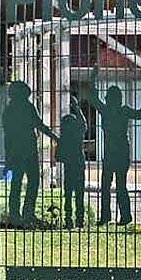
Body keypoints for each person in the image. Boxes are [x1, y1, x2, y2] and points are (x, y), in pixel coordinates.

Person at [85, 65, 141, 226]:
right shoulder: (122, 111)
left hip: (114, 153)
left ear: (110, 99)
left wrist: (94, 76)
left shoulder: (107, 110)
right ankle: (122, 216)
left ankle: (111, 217)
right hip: (120, 152)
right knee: (117, 186)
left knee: (109, 186)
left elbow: (92, 96)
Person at [2, 81, 57, 225]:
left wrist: (9, 156)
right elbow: (40, 125)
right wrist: (55, 137)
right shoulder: (27, 107)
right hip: (28, 149)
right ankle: (27, 213)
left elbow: (7, 136)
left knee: (17, 183)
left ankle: (16, 215)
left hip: (16, 150)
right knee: (32, 181)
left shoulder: (9, 110)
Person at [55, 96, 88, 229]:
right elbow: (83, 124)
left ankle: (68, 220)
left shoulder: (64, 139)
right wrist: (76, 108)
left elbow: (58, 157)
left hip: (69, 169)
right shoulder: (78, 136)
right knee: (79, 196)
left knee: (68, 196)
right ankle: (79, 221)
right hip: (79, 167)